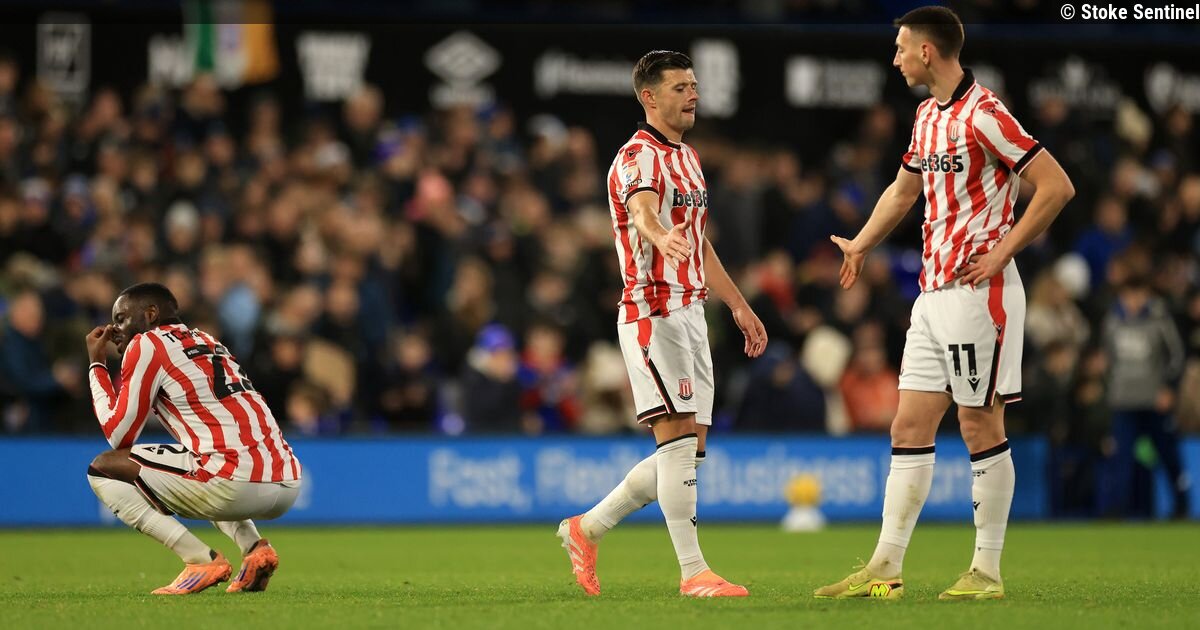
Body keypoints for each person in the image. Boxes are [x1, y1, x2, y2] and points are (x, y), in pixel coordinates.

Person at [814, 6, 1075, 600]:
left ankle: (987, 571)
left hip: (981, 294)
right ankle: (885, 566)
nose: (896, 58)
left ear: (927, 51)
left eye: (901, 47)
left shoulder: (986, 114)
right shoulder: (927, 115)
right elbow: (904, 189)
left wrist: (1002, 251)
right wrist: (861, 243)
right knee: (908, 423)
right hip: (933, 294)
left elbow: (1056, 186)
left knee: (979, 423)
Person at [555, 50, 768, 598]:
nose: (692, 94)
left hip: (691, 312)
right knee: (676, 445)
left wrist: (738, 305)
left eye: (693, 85)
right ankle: (693, 573)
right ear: (649, 97)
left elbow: (698, 242)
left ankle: (587, 528)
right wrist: (659, 236)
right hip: (653, 312)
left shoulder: (689, 158)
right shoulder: (637, 156)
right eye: (680, 87)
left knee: (688, 452)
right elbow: (643, 213)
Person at [85, 282, 302, 595]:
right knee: (199, 461)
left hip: (234, 482)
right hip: (287, 479)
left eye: (120, 319)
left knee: (102, 469)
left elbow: (118, 434)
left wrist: (97, 365)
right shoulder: (207, 340)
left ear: (150, 314)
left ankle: (200, 560)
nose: (113, 330)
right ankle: (255, 549)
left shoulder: (147, 343)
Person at [1099, 269, 1189, 519]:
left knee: (1169, 455)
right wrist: (1110, 389)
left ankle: (1181, 505)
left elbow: (1177, 357)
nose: (1134, 301)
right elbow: (1106, 360)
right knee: (1121, 457)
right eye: (1129, 295)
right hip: (1123, 401)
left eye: (1139, 295)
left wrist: (1169, 388)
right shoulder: (1112, 321)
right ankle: (1117, 509)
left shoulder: (1160, 318)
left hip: (1155, 401)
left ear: (1147, 295)